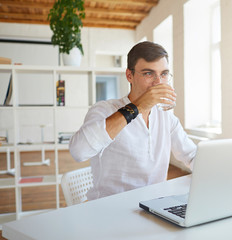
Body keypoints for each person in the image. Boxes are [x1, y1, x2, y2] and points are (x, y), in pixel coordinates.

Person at [69, 41, 197, 200]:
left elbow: (192, 155)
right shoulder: (104, 110)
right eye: (148, 73)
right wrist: (137, 106)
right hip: (110, 209)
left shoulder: (166, 117)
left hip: (154, 206)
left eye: (163, 74)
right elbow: (78, 152)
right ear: (129, 75)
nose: (158, 82)